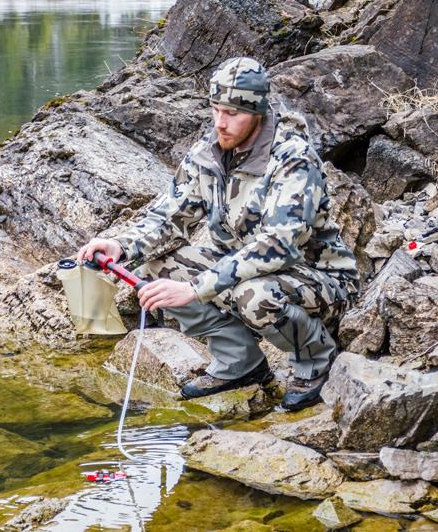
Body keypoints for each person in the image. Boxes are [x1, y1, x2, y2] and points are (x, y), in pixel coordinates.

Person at [77, 57, 358, 410]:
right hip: (245, 266)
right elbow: (170, 217)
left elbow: (279, 246)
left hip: (320, 278)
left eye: (233, 114)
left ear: (257, 112)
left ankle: (318, 362)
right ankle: (240, 363)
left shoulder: (292, 159)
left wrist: (196, 288)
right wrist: (121, 244)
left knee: (253, 295)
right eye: (215, 109)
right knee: (157, 267)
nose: (221, 123)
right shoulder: (207, 153)